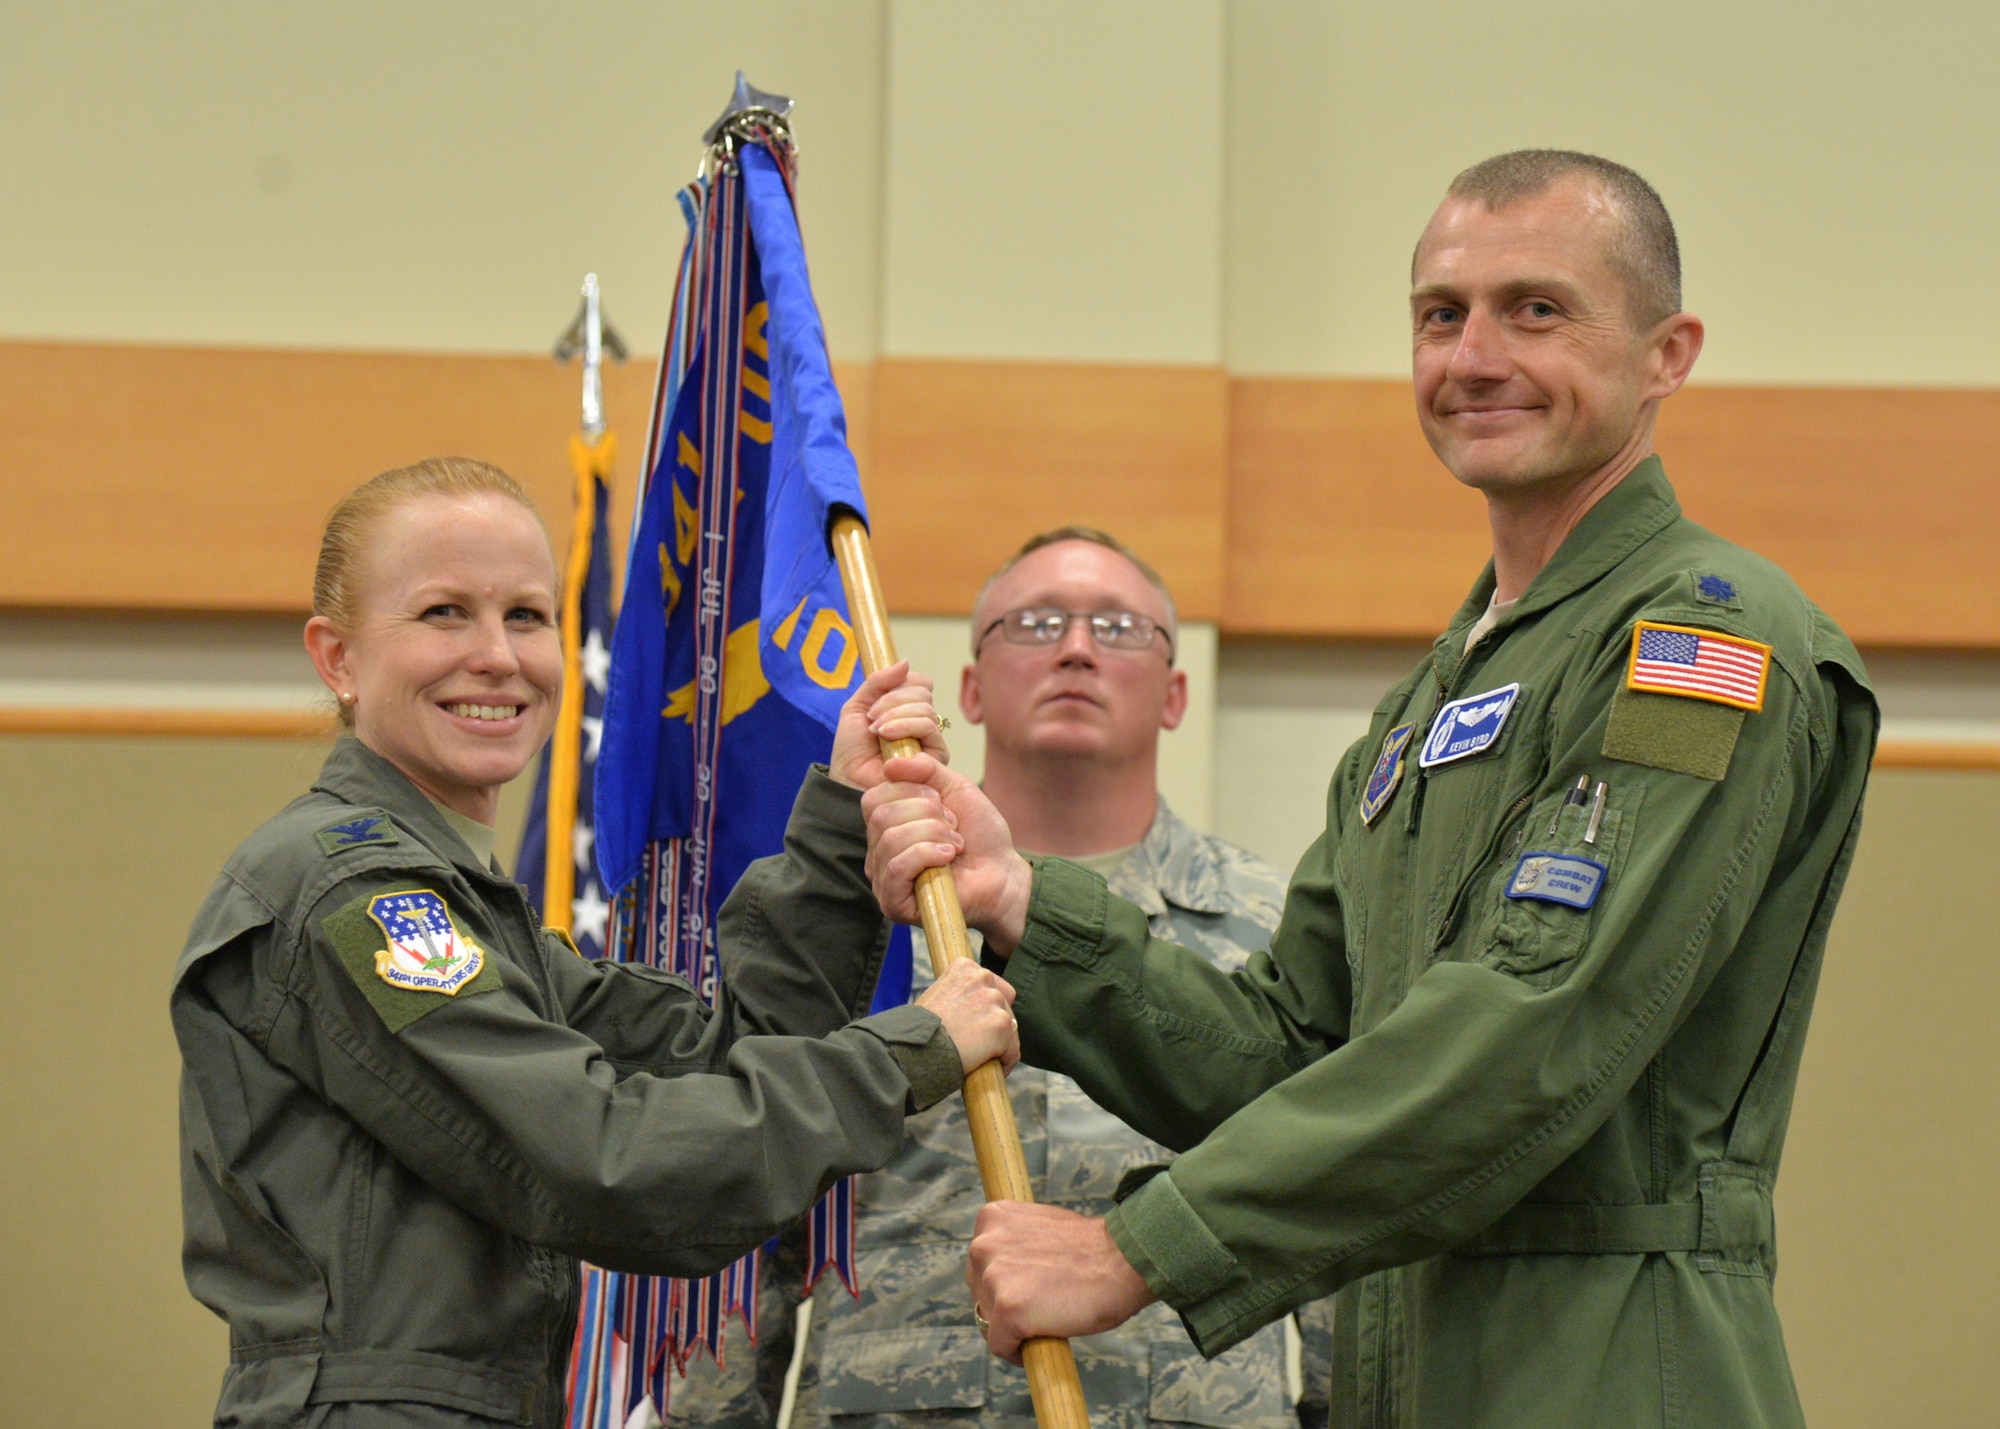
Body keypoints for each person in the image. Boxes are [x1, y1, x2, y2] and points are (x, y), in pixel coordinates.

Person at [862, 152, 1878, 1428]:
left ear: (1666, 353)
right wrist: (1025, 907)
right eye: (1439, 314)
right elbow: (1283, 1054)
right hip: (1410, 1362)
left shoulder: (1702, 640)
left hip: (1609, 1363)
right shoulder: (1427, 708)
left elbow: (1532, 1029)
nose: (1474, 355)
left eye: (1537, 309)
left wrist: (1138, 1249)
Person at [171, 456, 1021, 1429]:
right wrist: (911, 1048)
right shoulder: (352, 895)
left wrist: (839, 816)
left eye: (527, 616)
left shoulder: (461, 904)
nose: (496, 655)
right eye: (443, 612)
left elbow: (723, 1059)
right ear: (338, 658)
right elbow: (606, 1161)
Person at [674, 527, 1329, 1427]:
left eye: (1120, 627)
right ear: (970, 689)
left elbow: (1329, 1202)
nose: (1075, 647)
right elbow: (754, 1196)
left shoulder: (1273, 921)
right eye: (1036, 622)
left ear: (1176, 694)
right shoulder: (858, 913)